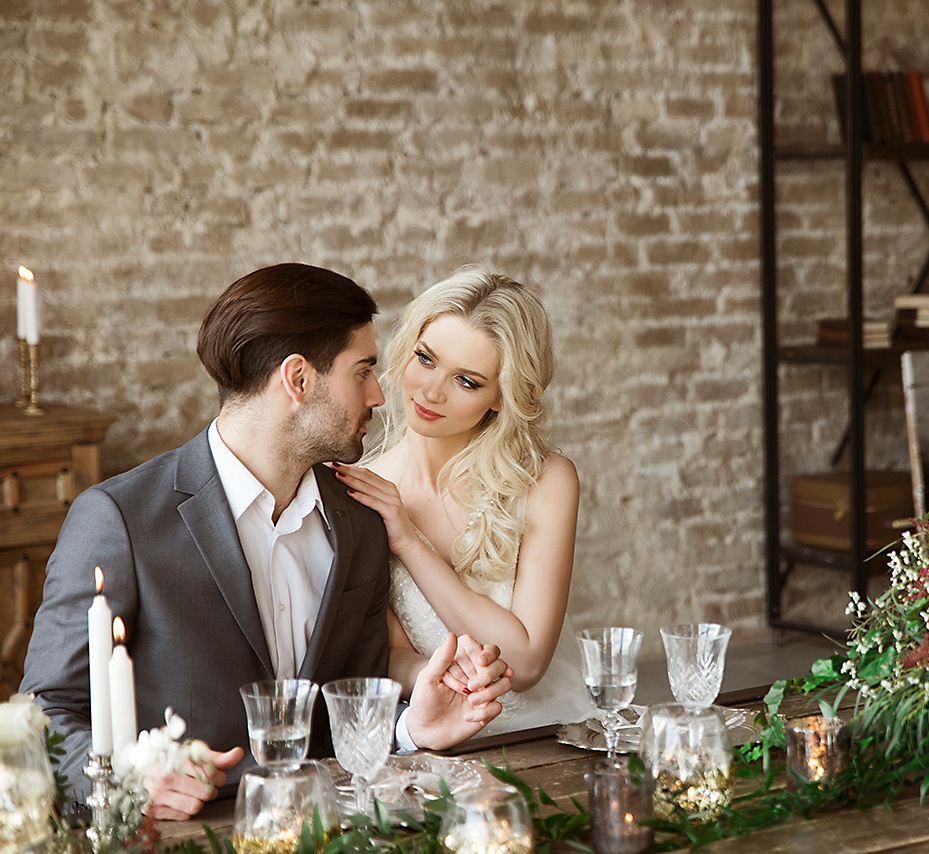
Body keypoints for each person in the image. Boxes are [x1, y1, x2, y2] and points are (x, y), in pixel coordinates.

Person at [21, 264, 513, 820]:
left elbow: (356, 688)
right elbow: (44, 715)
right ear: (298, 380)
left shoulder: (360, 520)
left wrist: (411, 725)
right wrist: (129, 782)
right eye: (363, 371)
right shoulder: (119, 519)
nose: (379, 394)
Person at [335, 266, 593, 735]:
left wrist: (409, 541)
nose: (431, 391)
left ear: (502, 397)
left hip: (542, 731)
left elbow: (528, 662)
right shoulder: (362, 488)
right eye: (426, 359)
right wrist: (436, 678)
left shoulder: (546, 480)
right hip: (433, 731)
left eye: (467, 381)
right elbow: (386, 654)